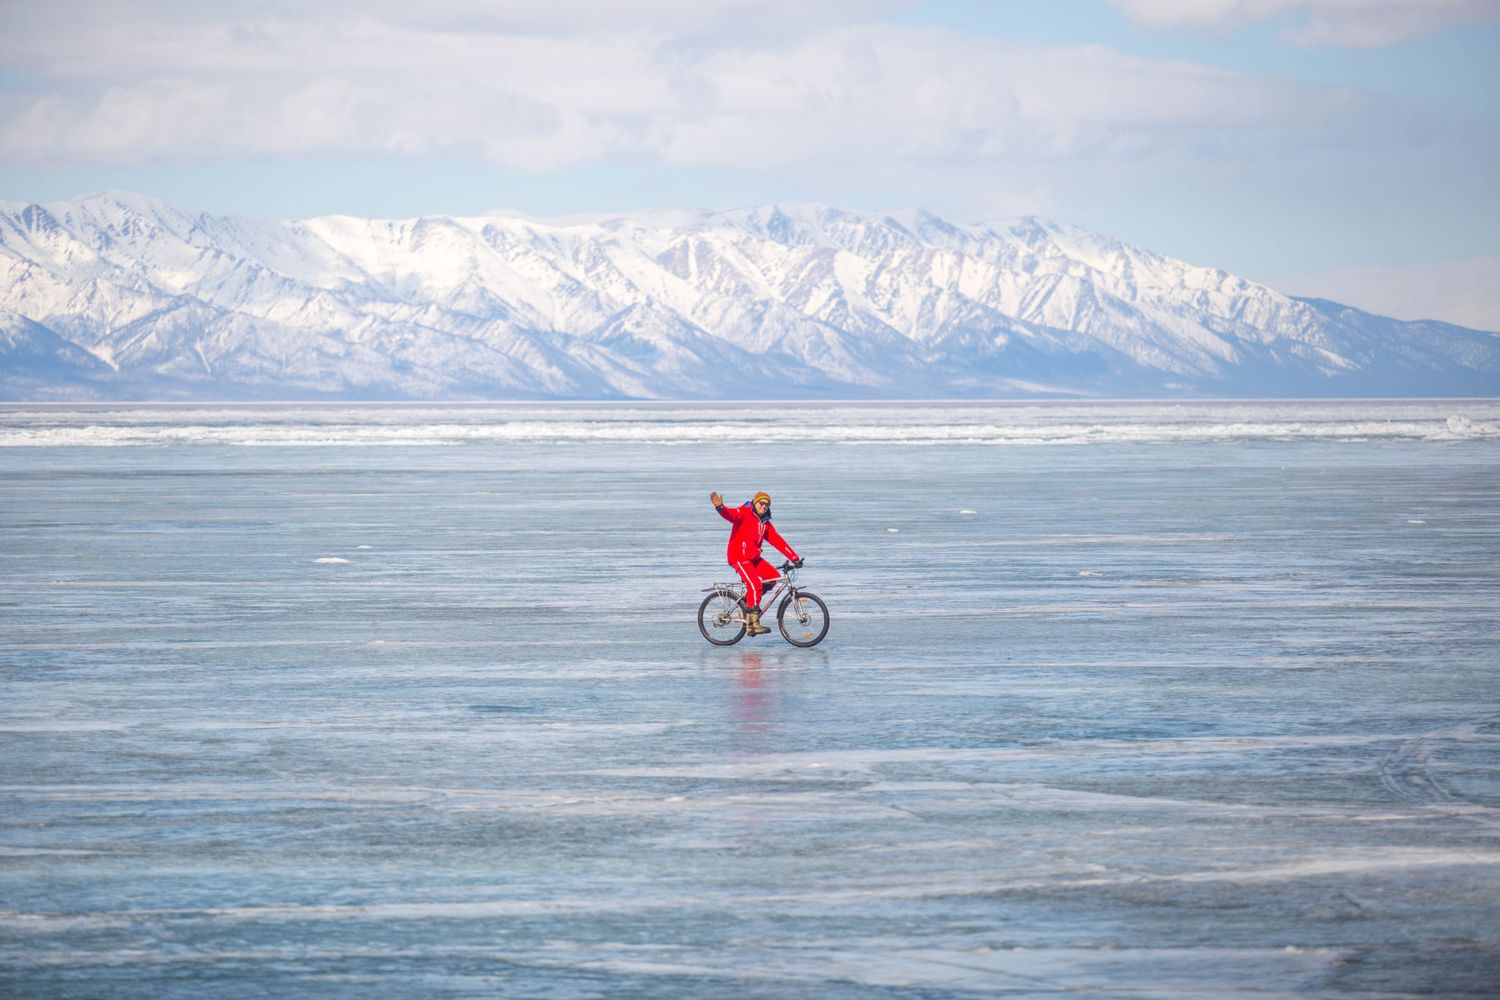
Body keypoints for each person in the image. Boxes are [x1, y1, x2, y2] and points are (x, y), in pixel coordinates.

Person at [709, 490, 802, 637]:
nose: (764, 506)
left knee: (773, 577)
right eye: (761, 503)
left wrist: (794, 558)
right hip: (739, 556)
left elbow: (777, 540)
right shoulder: (744, 512)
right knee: (755, 584)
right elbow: (730, 514)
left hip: (753, 558)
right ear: (755, 502)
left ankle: (749, 600)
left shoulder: (765, 523)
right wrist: (720, 507)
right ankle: (752, 625)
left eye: (767, 504)